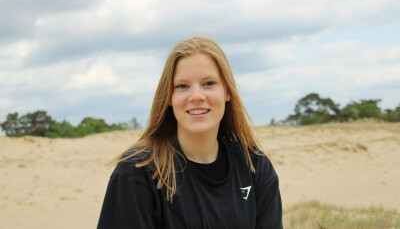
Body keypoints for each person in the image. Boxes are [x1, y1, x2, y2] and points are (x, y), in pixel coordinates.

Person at [97, 37, 283, 228]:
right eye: (182, 86)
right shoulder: (138, 172)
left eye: (209, 83)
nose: (196, 96)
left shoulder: (256, 168)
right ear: (169, 96)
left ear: (227, 91)